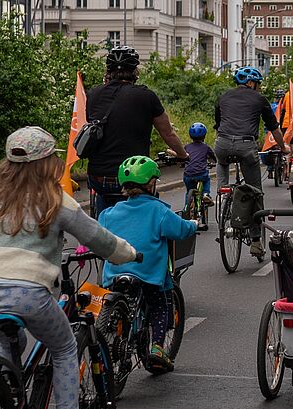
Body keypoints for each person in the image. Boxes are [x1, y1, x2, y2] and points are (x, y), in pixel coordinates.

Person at [0, 126, 136, 409]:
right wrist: (128, 254)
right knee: (64, 349)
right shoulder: (56, 200)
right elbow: (100, 240)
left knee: (7, 346)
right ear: (48, 163)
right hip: (30, 291)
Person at [99, 156, 197, 373]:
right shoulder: (159, 211)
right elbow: (180, 230)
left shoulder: (109, 213)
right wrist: (193, 224)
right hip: (147, 274)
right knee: (160, 306)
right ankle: (157, 348)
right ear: (151, 184)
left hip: (114, 274)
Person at [85, 46, 188, 217]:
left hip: (98, 177)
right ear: (135, 71)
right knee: (145, 207)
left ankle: (101, 232)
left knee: (103, 210)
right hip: (134, 177)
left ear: (108, 71)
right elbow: (168, 133)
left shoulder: (93, 94)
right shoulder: (146, 97)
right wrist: (182, 155)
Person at [214, 66, 286, 257]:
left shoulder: (223, 96)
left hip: (221, 143)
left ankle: (223, 197)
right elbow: (274, 129)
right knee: (255, 192)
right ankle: (255, 241)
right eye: (258, 84)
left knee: (221, 163)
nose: (259, 88)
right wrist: (284, 147)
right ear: (251, 83)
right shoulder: (260, 100)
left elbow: (218, 123)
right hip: (246, 146)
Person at [178, 122, 216, 231]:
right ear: (204, 136)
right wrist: (214, 162)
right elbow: (213, 158)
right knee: (207, 179)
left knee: (188, 191)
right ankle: (206, 194)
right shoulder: (206, 147)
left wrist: (182, 164)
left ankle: (186, 209)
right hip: (201, 174)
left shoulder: (187, 147)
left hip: (188, 174)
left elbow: (183, 158)